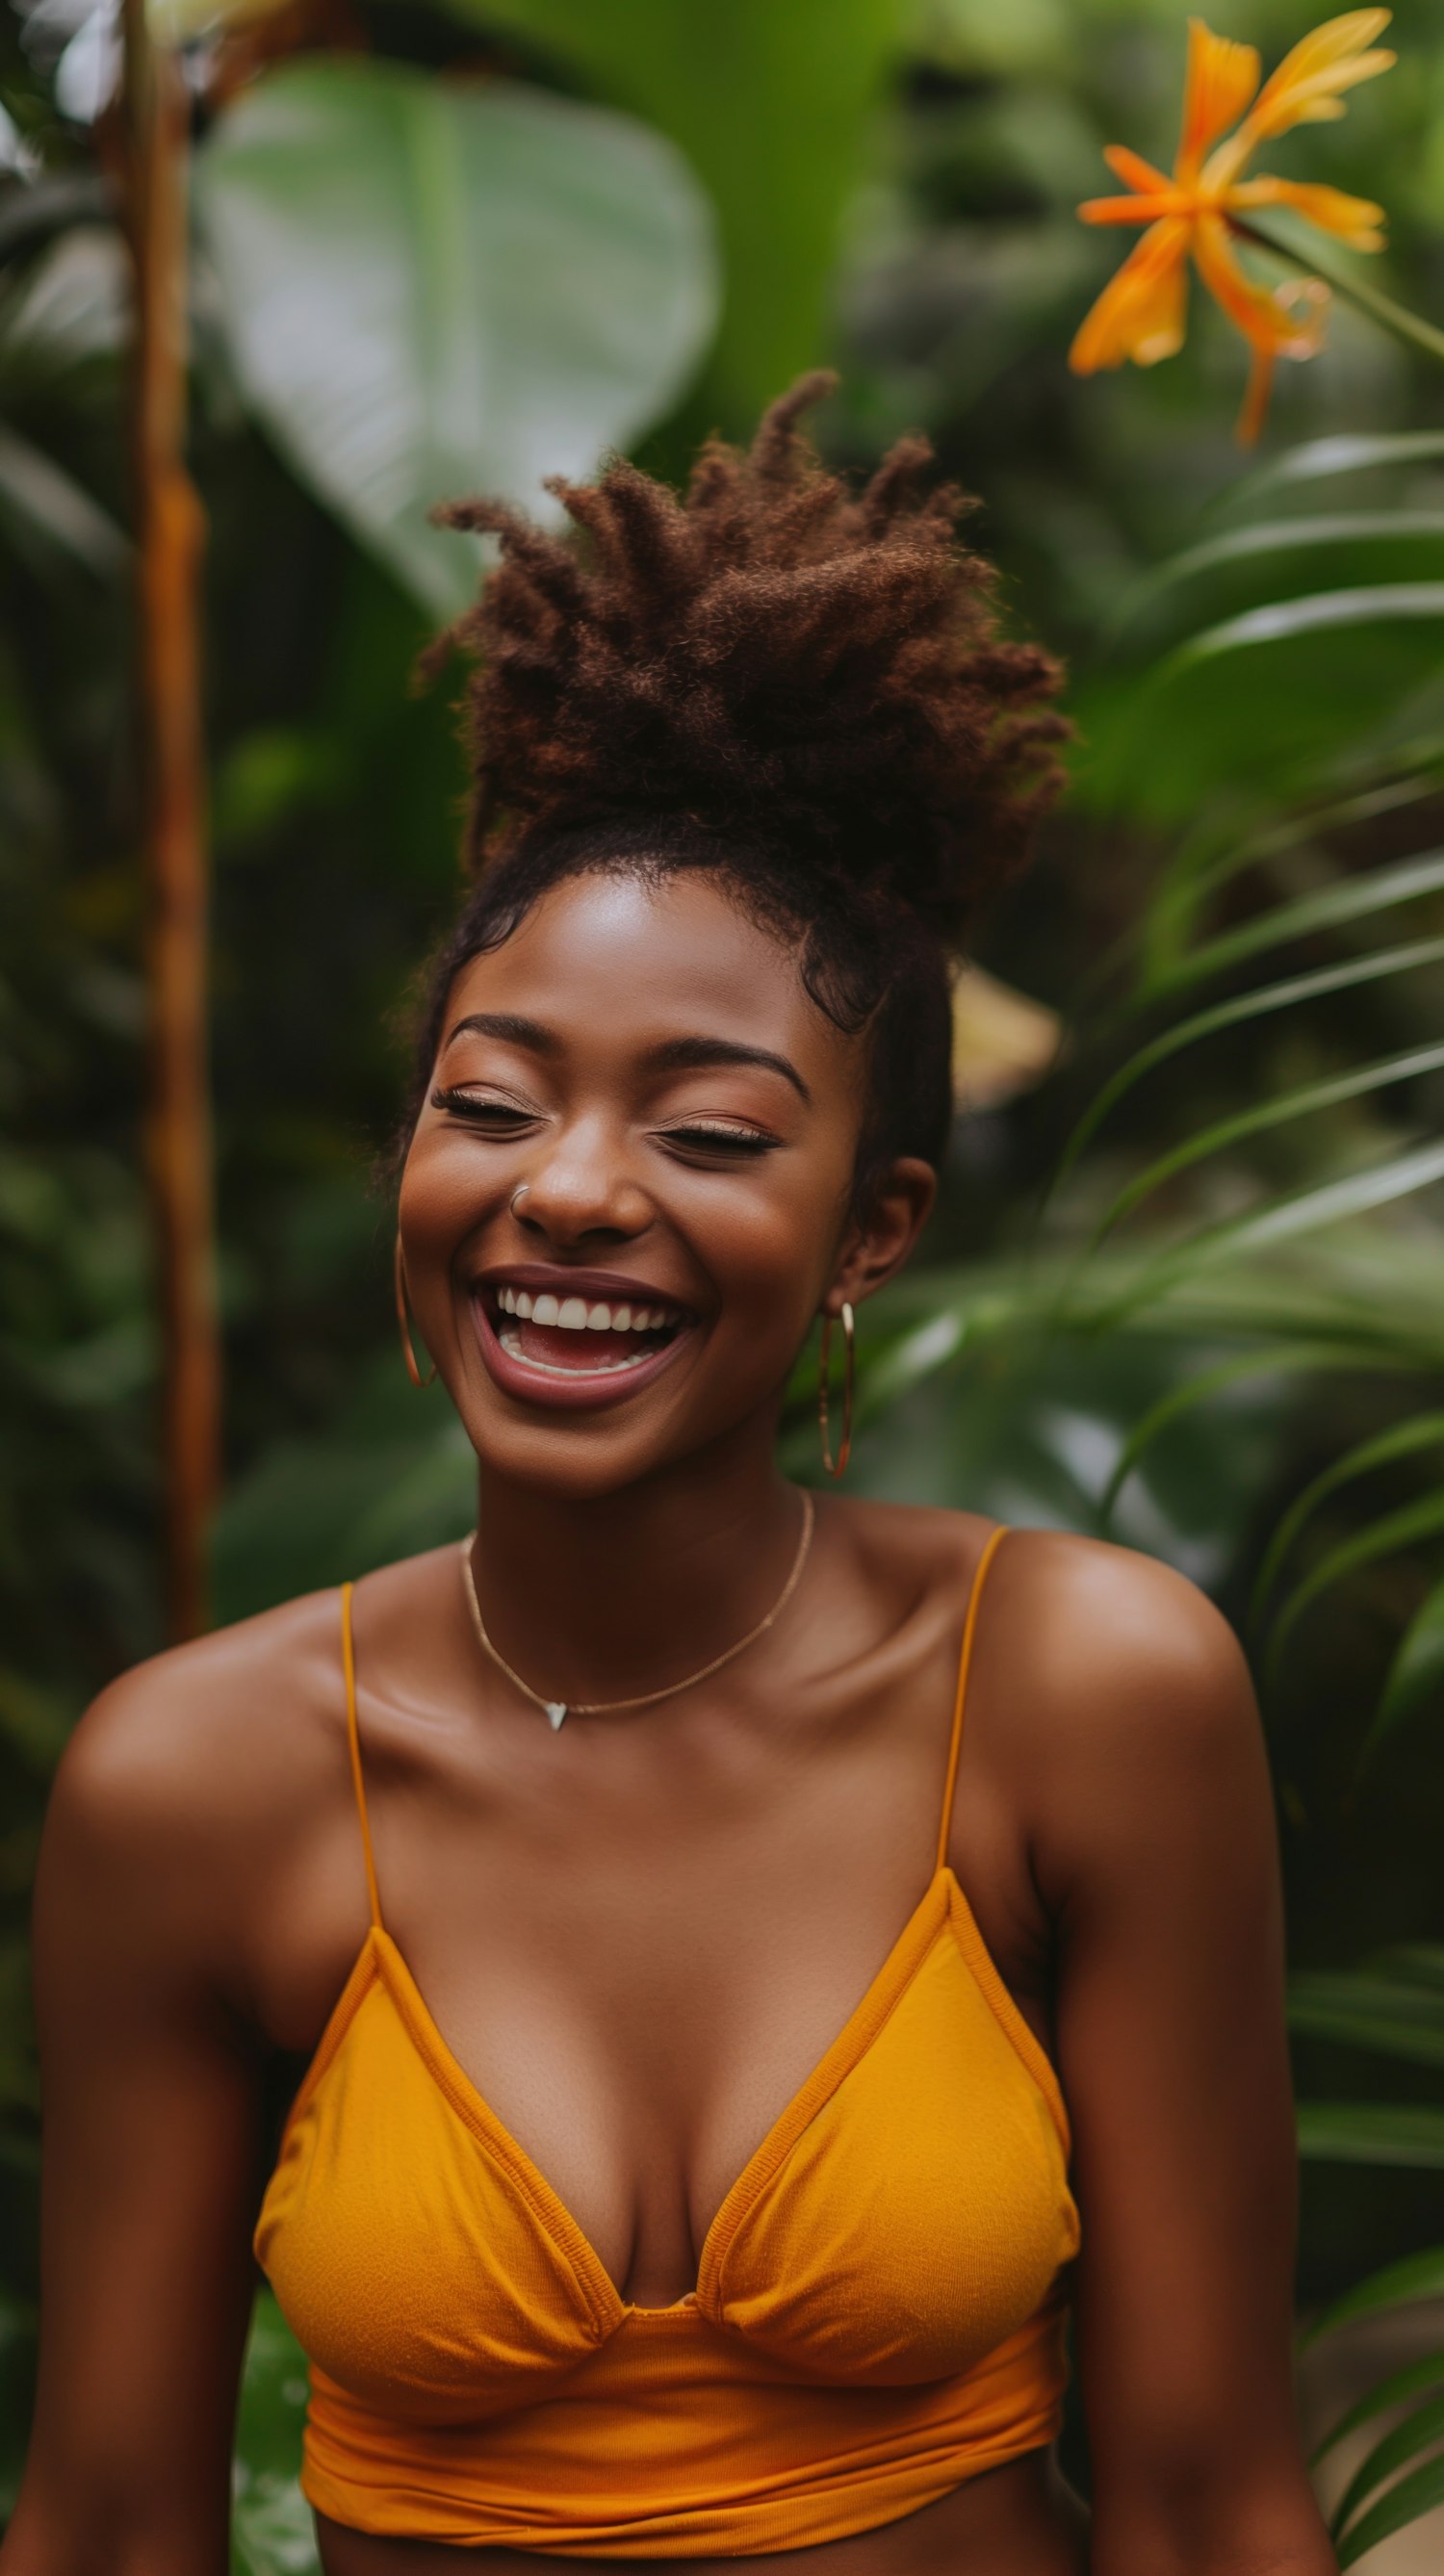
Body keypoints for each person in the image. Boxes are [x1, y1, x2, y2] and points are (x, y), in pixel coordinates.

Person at [5, 378, 1333, 2576]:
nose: (573, 1193)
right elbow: (115, 2523)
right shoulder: (200, 1785)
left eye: (710, 1134)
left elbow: (1210, 2503)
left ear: (872, 1230)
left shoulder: (1082, 1698)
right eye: (494, 1103)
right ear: (410, 1158)